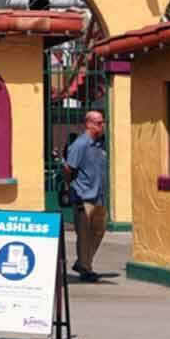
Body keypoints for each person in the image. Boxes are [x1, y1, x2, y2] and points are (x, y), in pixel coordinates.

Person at [63, 110, 108, 282]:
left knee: (98, 231)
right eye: (98, 122)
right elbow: (68, 167)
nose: (102, 125)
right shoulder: (80, 144)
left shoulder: (99, 144)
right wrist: (70, 186)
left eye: (102, 122)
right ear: (88, 124)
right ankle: (85, 268)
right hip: (83, 195)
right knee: (83, 234)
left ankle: (83, 262)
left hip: (99, 196)